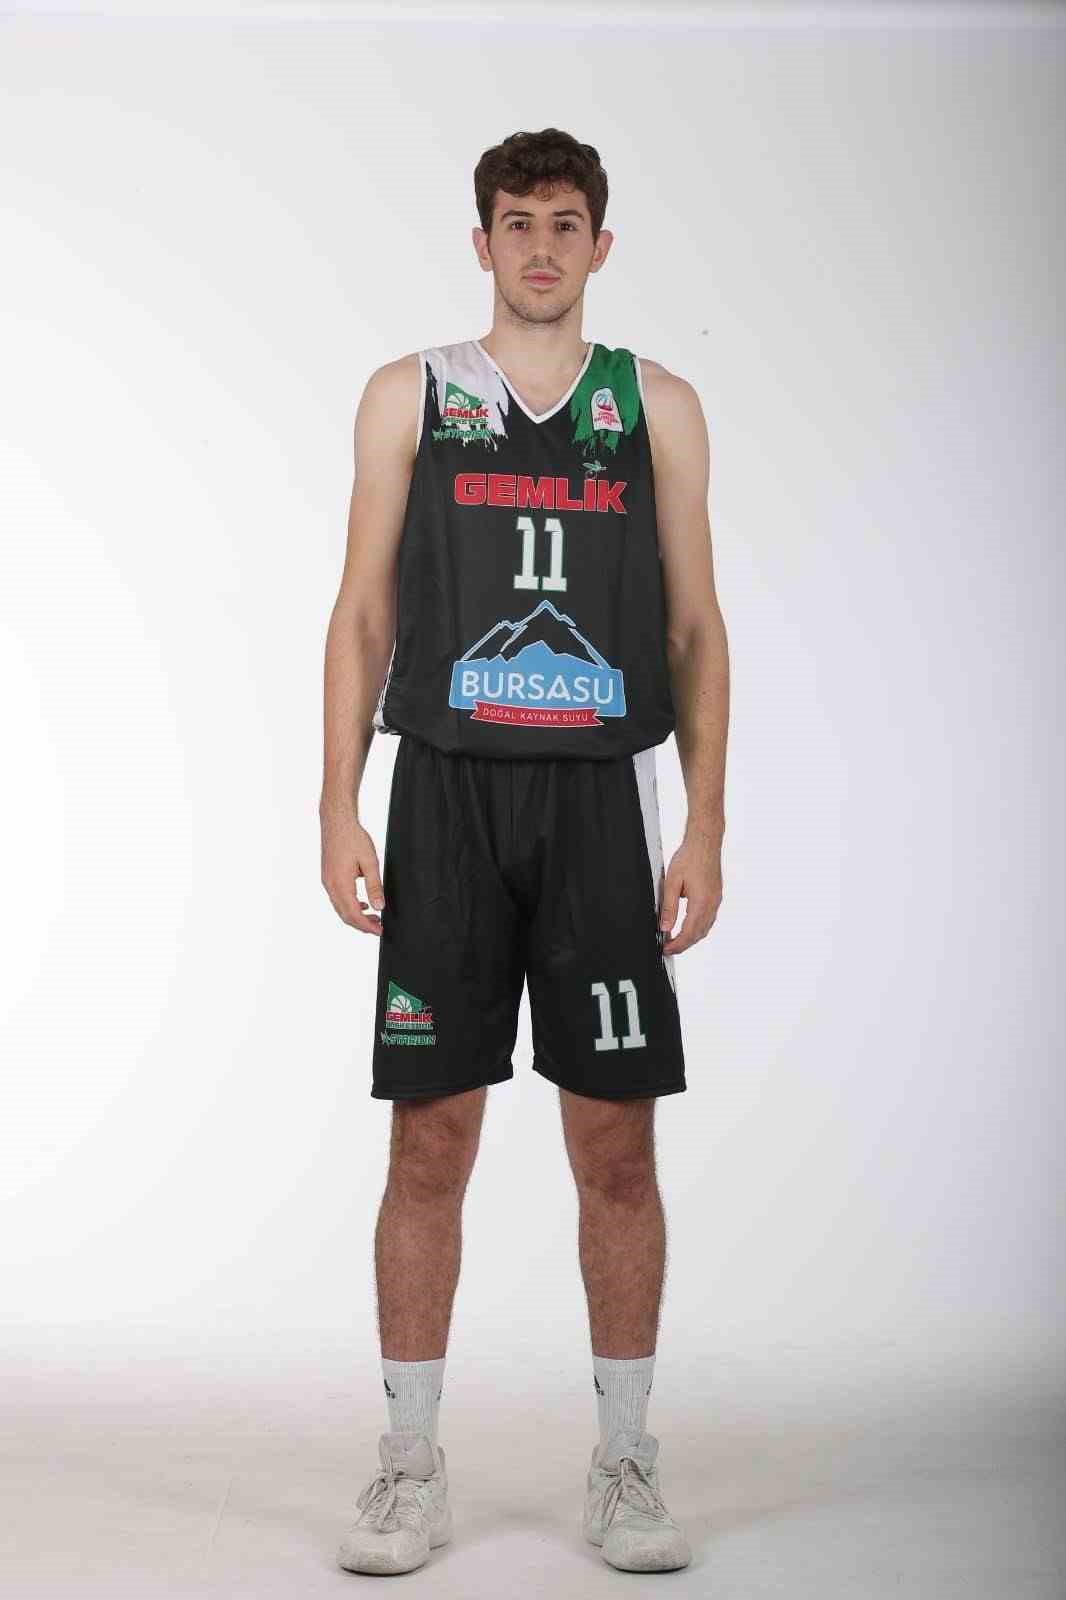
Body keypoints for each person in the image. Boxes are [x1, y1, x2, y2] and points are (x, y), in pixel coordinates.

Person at [320, 127, 729, 1577]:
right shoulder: (412, 395)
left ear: (600, 246)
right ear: (481, 242)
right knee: (428, 1134)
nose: (541, 246)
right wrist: (336, 804)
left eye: (565, 223)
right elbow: (363, 612)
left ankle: (624, 1461)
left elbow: (693, 626)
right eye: (516, 221)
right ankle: (407, 1466)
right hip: (443, 794)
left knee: (614, 1138)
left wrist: (705, 822)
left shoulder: (653, 404)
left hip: (600, 803)